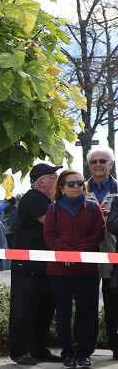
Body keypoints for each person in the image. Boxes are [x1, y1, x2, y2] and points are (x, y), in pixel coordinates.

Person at [44, 169, 105, 368]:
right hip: (59, 270)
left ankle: (83, 353)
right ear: (61, 188)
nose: (76, 186)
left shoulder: (93, 207)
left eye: (79, 183)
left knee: (85, 312)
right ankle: (67, 353)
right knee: (63, 312)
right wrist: (67, 253)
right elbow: (50, 236)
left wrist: (78, 253)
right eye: (71, 184)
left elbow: (99, 233)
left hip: (86, 270)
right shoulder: (53, 209)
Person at [9, 163, 62, 365]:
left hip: (45, 263)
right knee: (24, 308)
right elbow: (52, 222)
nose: (57, 180)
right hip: (28, 266)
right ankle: (19, 350)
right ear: (42, 181)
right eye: (54, 176)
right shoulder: (33, 198)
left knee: (44, 308)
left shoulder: (47, 199)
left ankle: (38, 348)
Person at [86, 147, 118, 357]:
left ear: (111, 164)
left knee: (113, 303)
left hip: (112, 253)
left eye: (103, 161)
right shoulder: (78, 187)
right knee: (87, 303)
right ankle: (87, 348)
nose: (98, 164)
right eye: (94, 161)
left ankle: (115, 347)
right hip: (85, 254)